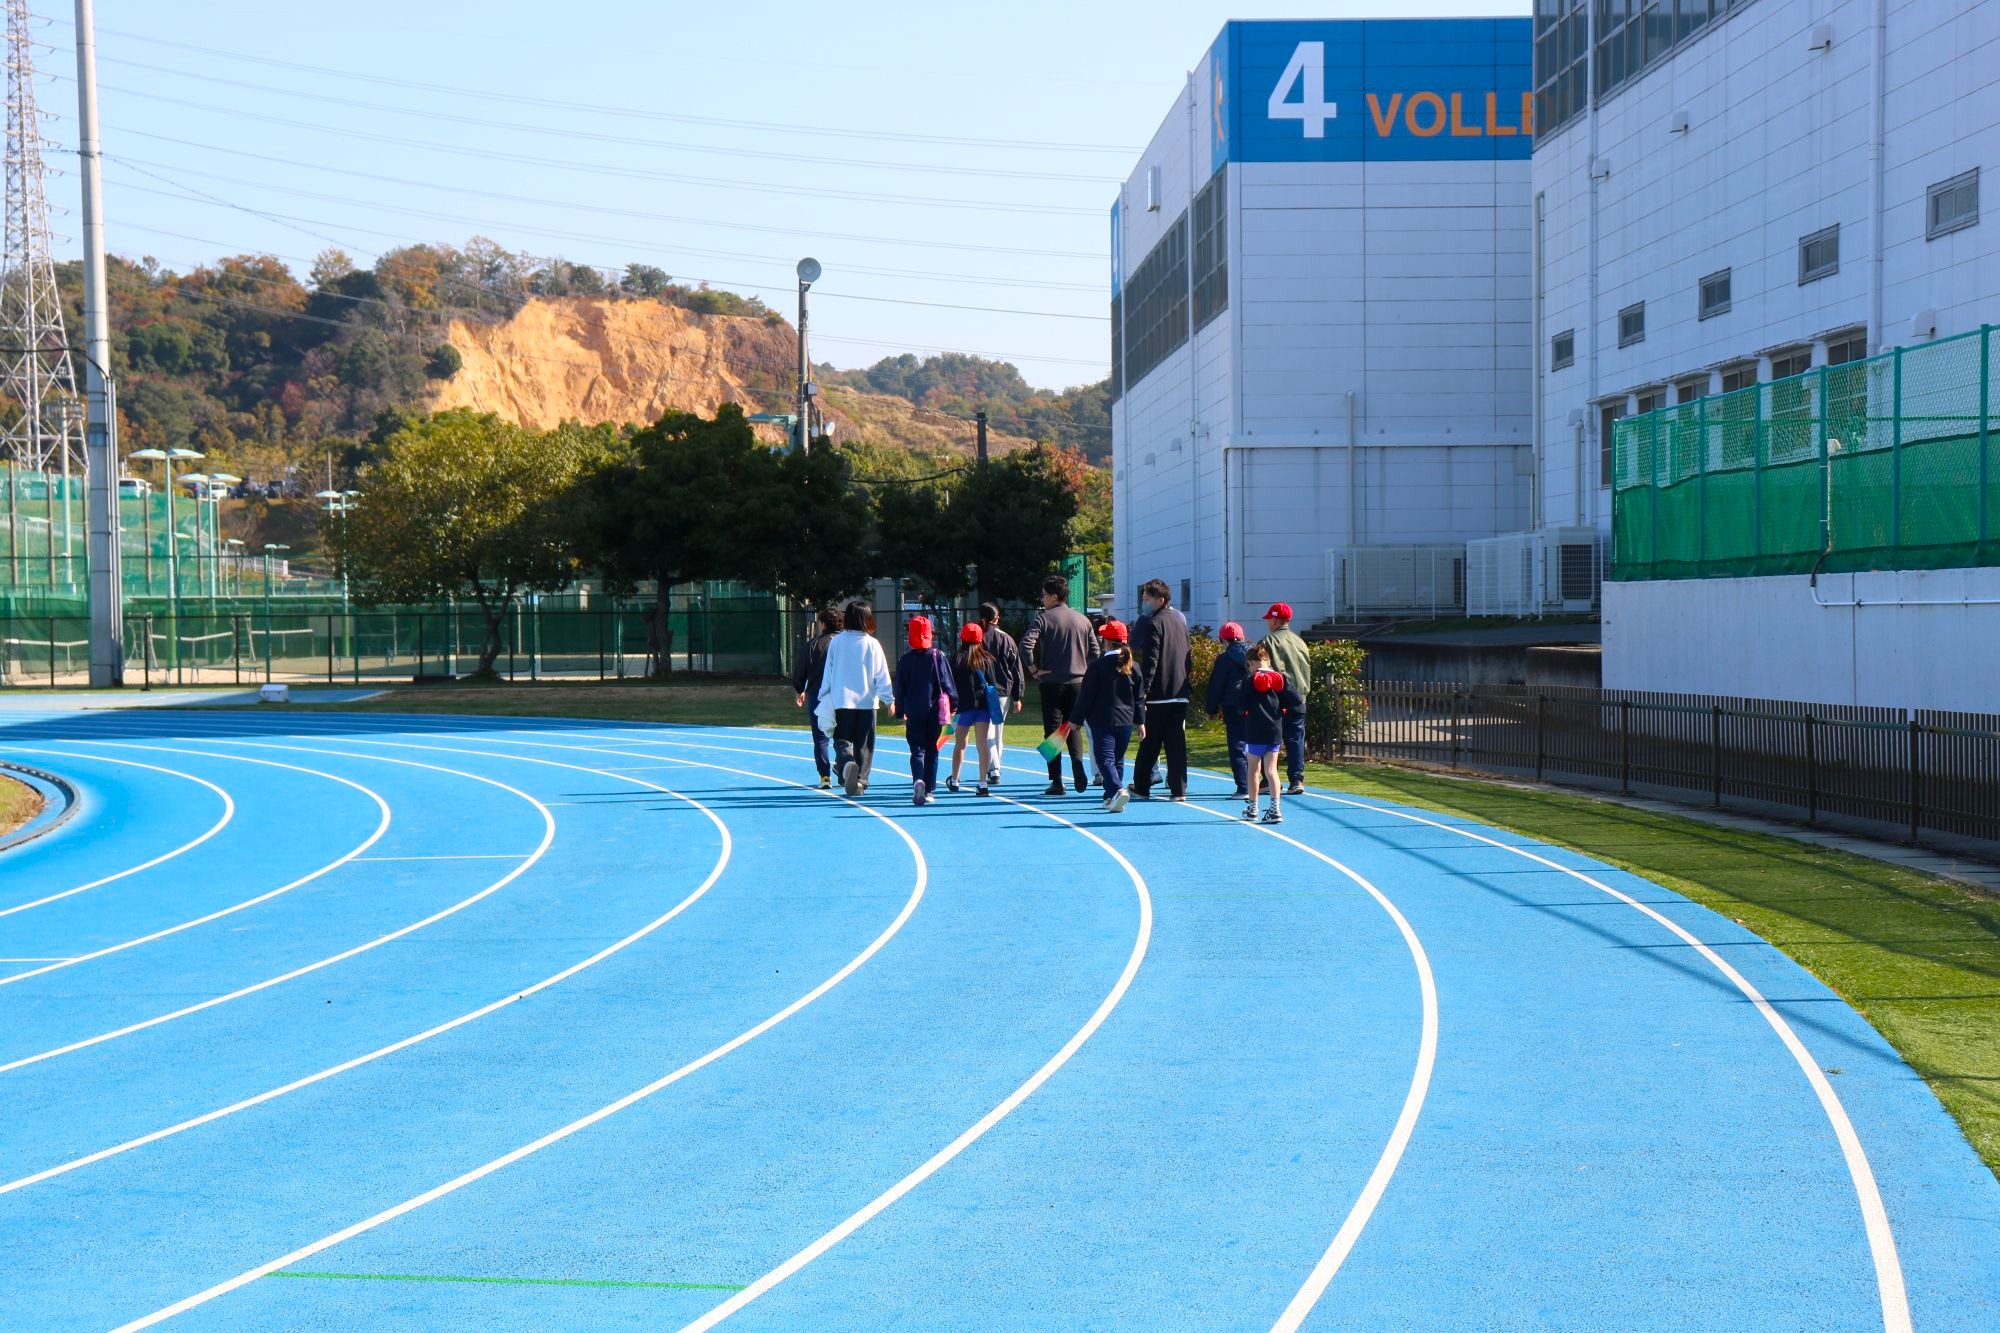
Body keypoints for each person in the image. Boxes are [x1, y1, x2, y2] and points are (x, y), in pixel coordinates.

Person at [1019, 573, 1099, 796]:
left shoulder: (1043, 618)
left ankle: (1056, 781)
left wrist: (1034, 669)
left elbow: (1025, 644)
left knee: (1052, 731)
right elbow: (1095, 652)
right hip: (1078, 682)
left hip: (1052, 682)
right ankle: (1077, 764)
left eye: (1044, 595)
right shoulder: (1083, 620)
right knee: (1073, 725)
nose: (1042, 599)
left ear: (1054, 596)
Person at [814, 601, 895, 796]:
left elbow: (829, 672)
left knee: (842, 741)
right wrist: (889, 700)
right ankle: (860, 781)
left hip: (841, 701)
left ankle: (847, 764)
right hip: (867, 704)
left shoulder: (836, 642)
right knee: (864, 745)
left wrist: (823, 695)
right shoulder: (872, 644)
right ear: (867, 619)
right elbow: (881, 675)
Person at [1071, 618, 1145, 813]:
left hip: (1102, 720)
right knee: (1117, 759)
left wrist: (1076, 720)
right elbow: (1139, 698)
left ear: (1106, 642)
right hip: (1126, 721)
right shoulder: (1134, 666)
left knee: (1104, 760)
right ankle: (1110, 796)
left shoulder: (1097, 666)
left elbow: (1086, 696)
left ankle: (1117, 790)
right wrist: (1141, 722)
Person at [1130, 578, 1193, 801]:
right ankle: (1179, 790)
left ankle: (1141, 787)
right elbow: (1188, 658)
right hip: (1179, 693)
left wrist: (1143, 691)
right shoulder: (1180, 622)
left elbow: (1151, 661)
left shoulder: (1154, 623)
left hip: (1159, 694)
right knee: (1176, 745)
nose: (1144, 603)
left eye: (1147, 599)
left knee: (1149, 744)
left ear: (1161, 600)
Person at [1235, 642, 1303, 824]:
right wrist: (1282, 709)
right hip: (1275, 729)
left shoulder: (1248, 680)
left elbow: (1240, 706)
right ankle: (1275, 808)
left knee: (1253, 771)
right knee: (1272, 770)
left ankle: (1252, 807)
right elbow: (1296, 700)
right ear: (1268, 660)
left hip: (1255, 730)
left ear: (1250, 663)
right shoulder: (1280, 679)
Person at [893, 616, 957, 806]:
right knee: (932, 750)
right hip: (935, 712)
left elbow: (899, 689)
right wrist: (953, 704)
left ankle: (917, 780)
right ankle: (929, 789)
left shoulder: (904, 661)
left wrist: (900, 711)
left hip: (914, 712)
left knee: (916, 751)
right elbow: (947, 684)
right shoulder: (938, 657)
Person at [1260, 602, 1313, 795]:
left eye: (1269, 619)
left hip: (1276, 700)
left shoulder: (1269, 641)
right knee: (1295, 739)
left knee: (1270, 741)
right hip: (1299, 697)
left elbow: (1262, 669)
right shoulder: (1300, 641)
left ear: (1275, 620)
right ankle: (1297, 779)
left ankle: (1268, 780)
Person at [944, 623, 1001, 797]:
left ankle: (955, 780)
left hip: (963, 707)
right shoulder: (987, 658)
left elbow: (949, 684)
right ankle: (982, 783)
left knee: (960, 744)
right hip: (983, 706)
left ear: (962, 637)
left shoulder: (956, 659)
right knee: (982, 744)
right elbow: (992, 682)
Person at [790, 605, 842, 789]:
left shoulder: (813, 645)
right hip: (843, 697)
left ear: (823, 624)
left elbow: (799, 673)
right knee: (843, 735)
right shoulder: (846, 644)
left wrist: (800, 689)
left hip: (818, 697)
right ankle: (844, 766)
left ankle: (825, 777)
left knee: (820, 738)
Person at [977, 602, 1025, 783]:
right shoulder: (1007, 639)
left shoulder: (978, 638)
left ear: (982, 619)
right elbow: (1016, 669)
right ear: (997, 618)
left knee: (987, 732)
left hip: (983, 690)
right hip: (1004, 691)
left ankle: (994, 768)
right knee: (997, 731)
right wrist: (1017, 696)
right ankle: (996, 767)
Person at [1204, 621, 1252, 797]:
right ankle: (1264, 781)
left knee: (1237, 746)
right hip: (1256, 705)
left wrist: (1212, 710)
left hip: (1233, 705)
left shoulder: (1224, 659)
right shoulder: (1255, 655)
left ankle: (1243, 786)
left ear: (1223, 640)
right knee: (1257, 745)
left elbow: (1216, 686)